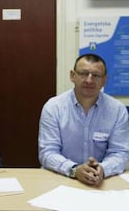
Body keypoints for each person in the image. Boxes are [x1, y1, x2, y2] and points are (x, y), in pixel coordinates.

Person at [38, 53, 129, 187]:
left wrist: (102, 169)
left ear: (104, 80)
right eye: (83, 73)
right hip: (61, 179)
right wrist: (74, 170)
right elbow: (48, 152)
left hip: (101, 183)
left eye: (96, 75)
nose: (89, 80)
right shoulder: (53, 107)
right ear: (72, 76)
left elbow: (120, 153)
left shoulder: (117, 110)